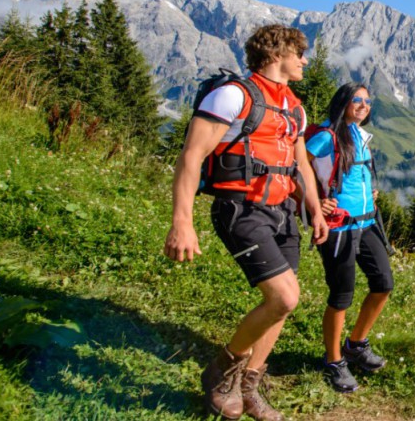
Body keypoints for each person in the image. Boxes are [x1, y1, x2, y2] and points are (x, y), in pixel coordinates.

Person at [163, 24, 328, 421]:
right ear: (276, 54)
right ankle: (223, 369)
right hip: (241, 209)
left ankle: (249, 385)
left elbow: (301, 162)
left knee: (282, 306)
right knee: (285, 297)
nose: (305, 60)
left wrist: (315, 209)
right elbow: (191, 155)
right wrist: (181, 222)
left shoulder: (295, 106)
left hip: (282, 213)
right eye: (299, 52)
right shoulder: (233, 95)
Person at [306, 82, 394, 392]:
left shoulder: (361, 135)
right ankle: (334, 361)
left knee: (383, 284)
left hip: (368, 223)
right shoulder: (326, 136)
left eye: (367, 101)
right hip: (338, 228)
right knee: (342, 295)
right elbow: (296, 163)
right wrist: (314, 199)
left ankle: (356, 344)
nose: (363, 105)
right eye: (356, 100)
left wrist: (370, 191)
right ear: (343, 102)